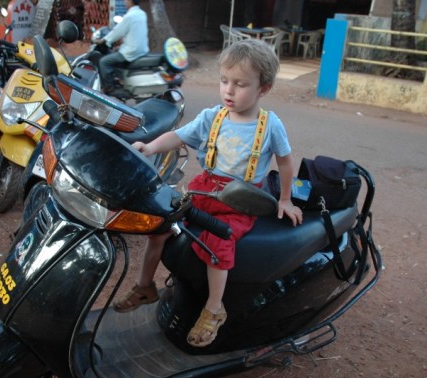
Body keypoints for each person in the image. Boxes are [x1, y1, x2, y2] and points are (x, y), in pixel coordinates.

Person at [113, 39, 303, 348]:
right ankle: (145, 286)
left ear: (263, 88)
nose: (229, 90)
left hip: (240, 199)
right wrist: (149, 147)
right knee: (160, 224)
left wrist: (284, 198)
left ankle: (214, 309)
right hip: (205, 188)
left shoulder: (270, 126)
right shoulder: (212, 117)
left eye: (240, 84)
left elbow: (284, 162)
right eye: (224, 81)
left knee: (219, 242)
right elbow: (177, 136)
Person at [96, 0, 148, 95]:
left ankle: (109, 87)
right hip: (141, 50)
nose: (125, 2)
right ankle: (120, 79)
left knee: (104, 62)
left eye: (127, 0)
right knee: (115, 53)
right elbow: (134, 35)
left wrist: (104, 40)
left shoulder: (129, 16)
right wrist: (120, 47)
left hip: (131, 51)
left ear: (131, 2)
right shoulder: (142, 14)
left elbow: (117, 32)